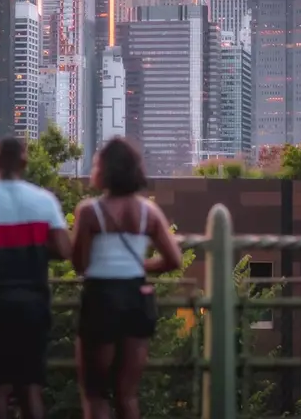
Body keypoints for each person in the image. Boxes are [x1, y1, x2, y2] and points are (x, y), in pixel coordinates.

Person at [0, 137, 71, 419]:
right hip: (33, 303)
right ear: (24, 163)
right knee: (30, 389)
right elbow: (65, 249)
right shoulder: (44, 200)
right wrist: (34, 245)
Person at [72, 137, 182, 419]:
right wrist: (142, 265)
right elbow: (173, 260)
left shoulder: (88, 212)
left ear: (104, 171)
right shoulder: (149, 212)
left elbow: (80, 264)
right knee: (127, 394)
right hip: (136, 297)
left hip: (100, 298)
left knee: (95, 393)